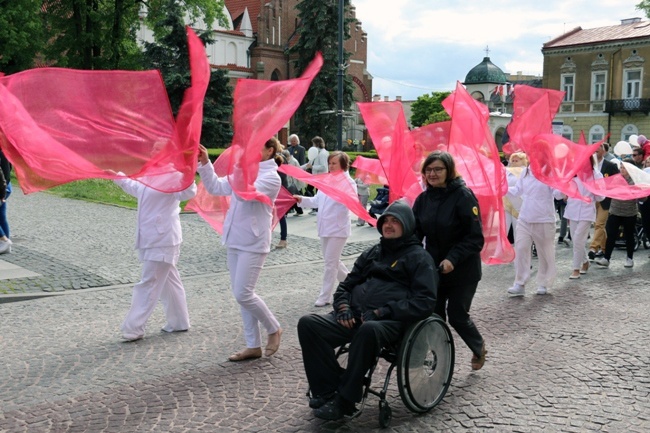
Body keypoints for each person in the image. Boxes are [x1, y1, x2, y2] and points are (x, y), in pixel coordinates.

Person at [297, 200, 437, 421]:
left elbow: (424, 301)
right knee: (308, 324)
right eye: (385, 221)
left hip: (390, 322)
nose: (389, 225)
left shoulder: (419, 258)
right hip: (354, 317)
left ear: (407, 225)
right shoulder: (373, 252)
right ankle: (327, 390)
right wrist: (343, 307)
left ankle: (345, 400)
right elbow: (346, 284)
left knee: (369, 329)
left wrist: (382, 312)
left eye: (395, 221)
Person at [197, 138, 283, 361]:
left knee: (243, 293)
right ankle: (253, 345)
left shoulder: (271, 177)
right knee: (242, 295)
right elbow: (215, 187)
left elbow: (246, 192)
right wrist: (205, 163)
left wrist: (238, 167)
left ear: (269, 151)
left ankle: (273, 328)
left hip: (254, 243)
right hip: (234, 239)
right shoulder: (243, 172)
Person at [111, 145, 197, 342]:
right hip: (151, 237)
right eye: (153, 149)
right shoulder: (150, 173)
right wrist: (116, 176)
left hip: (163, 238)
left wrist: (187, 174)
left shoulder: (175, 174)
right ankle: (179, 321)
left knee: (148, 282)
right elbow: (136, 189)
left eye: (157, 150)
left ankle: (133, 328)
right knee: (169, 281)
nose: (152, 152)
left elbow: (188, 192)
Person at [412, 151, 487, 370]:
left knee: (457, 315)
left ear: (449, 171)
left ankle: (478, 346)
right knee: (433, 316)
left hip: (463, 269)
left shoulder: (463, 196)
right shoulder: (423, 199)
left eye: (438, 169)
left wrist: (452, 259)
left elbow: (475, 238)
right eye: (428, 170)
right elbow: (415, 233)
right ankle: (439, 359)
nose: (432, 174)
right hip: (434, 269)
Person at [294, 151, 356, 307]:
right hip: (325, 227)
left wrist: (341, 194)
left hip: (338, 228)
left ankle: (326, 296)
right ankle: (353, 284)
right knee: (333, 261)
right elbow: (316, 201)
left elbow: (351, 202)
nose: (331, 166)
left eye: (334, 163)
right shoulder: (327, 181)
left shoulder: (348, 182)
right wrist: (301, 199)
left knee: (330, 263)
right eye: (330, 163)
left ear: (343, 165)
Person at [506, 160, 564, 296]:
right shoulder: (526, 172)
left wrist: (563, 187)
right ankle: (520, 283)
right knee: (520, 249)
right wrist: (503, 189)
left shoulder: (550, 173)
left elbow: (557, 193)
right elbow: (517, 190)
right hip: (525, 218)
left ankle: (543, 282)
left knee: (544, 252)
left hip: (544, 219)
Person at [564, 158, 604, 279]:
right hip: (572, 210)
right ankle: (585, 262)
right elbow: (564, 189)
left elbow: (601, 197)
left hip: (587, 211)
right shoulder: (571, 173)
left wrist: (594, 192)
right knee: (576, 240)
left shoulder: (596, 174)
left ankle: (575, 268)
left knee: (578, 239)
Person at [595, 161, 639, 268]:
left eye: (624, 167)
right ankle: (606, 258)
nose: (621, 169)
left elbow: (638, 195)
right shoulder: (616, 179)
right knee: (611, 235)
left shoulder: (635, 181)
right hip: (615, 211)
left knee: (629, 235)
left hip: (629, 212)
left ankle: (629, 258)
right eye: (621, 167)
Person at [589, 144, 620, 259]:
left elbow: (617, 181)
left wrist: (608, 188)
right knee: (598, 226)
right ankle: (605, 248)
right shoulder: (589, 166)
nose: (595, 153)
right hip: (592, 198)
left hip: (605, 199)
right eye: (594, 151)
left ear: (603, 151)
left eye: (597, 151)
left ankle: (593, 247)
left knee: (599, 224)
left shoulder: (610, 165)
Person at [504, 152, 527, 244]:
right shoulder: (507, 171)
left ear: (522, 161)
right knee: (504, 229)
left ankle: (519, 253)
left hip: (520, 204)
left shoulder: (525, 171)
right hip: (506, 203)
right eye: (512, 160)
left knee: (518, 231)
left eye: (516, 160)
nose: (514, 162)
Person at [302, 136, 329, 212]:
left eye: (313, 143)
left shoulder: (323, 153)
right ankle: (315, 206)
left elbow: (323, 167)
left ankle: (317, 207)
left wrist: (312, 167)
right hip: (315, 176)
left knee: (318, 192)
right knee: (310, 189)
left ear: (317, 144)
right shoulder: (315, 152)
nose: (312, 145)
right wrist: (299, 168)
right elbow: (309, 163)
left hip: (321, 177)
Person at [282, 149, 305, 216]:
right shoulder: (288, 161)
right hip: (290, 182)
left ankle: (285, 213)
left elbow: (297, 172)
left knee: (289, 198)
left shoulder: (293, 161)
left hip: (293, 183)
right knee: (293, 198)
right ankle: (299, 210)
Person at [0, 150, 12, 254]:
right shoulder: (4, 149)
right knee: (1, 217)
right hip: (6, 186)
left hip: (2, 187)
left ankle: (4, 240)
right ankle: (5, 245)